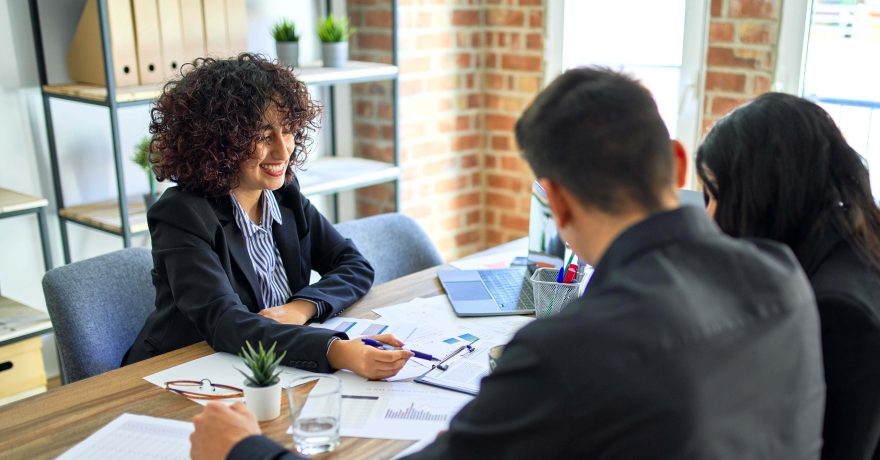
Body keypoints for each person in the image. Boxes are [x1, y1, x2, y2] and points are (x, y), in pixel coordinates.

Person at [190, 68, 827, 459]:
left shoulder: (569, 349)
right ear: (680, 164)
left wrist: (244, 450)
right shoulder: (783, 277)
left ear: (555, 202)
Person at [696, 92, 880, 459]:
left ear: (763, 197)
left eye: (713, 195)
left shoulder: (841, 314)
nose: (707, 218)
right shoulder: (863, 260)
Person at [123, 53, 412, 379]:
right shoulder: (181, 215)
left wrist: (301, 308)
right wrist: (335, 350)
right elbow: (225, 323)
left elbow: (354, 265)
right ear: (220, 142)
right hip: (180, 371)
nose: (283, 150)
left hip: (266, 366)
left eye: (287, 130)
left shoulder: (284, 196)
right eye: (262, 135)